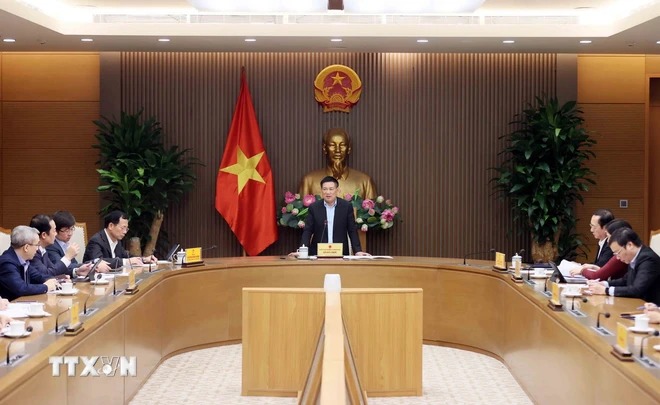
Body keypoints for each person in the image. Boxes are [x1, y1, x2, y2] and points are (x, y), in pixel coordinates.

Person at [298, 176, 369, 256]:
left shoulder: (346, 206)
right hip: (318, 253)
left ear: (337, 190)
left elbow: (352, 230)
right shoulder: (314, 207)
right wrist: (302, 250)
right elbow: (308, 231)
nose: (328, 192)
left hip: (340, 253)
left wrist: (357, 251)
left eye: (331, 189)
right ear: (321, 190)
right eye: (325, 189)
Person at [586, 227, 660, 305]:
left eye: (618, 253)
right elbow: (625, 280)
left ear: (630, 245)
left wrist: (605, 290)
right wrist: (603, 284)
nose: (617, 258)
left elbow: (637, 290)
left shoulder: (648, 259)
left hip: (650, 307)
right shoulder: (635, 256)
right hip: (636, 304)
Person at [298, 128, 377, 200]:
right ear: (325, 148)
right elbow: (302, 210)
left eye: (342, 145)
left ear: (349, 148)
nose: (338, 150)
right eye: (332, 145)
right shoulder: (309, 181)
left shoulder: (365, 182)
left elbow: (372, 210)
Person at [0, 226, 58, 301]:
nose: (37, 249)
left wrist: (56, 281)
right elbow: (21, 288)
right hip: (10, 305)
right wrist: (46, 287)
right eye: (37, 245)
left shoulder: (23, 260)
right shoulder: (7, 263)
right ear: (26, 247)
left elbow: (39, 276)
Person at [83, 210, 156, 269]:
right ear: (111, 226)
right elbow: (98, 262)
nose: (125, 232)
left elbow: (127, 257)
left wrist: (143, 259)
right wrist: (126, 262)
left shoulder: (117, 241)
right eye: (122, 228)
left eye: (126, 229)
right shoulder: (96, 241)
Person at [29, 214, 94, 279]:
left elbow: (53, 271)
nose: (56, 234)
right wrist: (67, 257)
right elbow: (45, 275)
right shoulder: (34, 252)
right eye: (54, 231)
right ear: (44, 235)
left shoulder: (42, 250)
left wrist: (76, 272)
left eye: (71, 229)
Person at [46, 211, 111, 275]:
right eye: (66, 230)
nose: (70, 233)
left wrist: (95, 262)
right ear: (56, 230)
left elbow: (75, 264)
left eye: (71, 229)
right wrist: (94, 266)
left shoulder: (66, 244)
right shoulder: (51, 246)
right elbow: (61, 267)